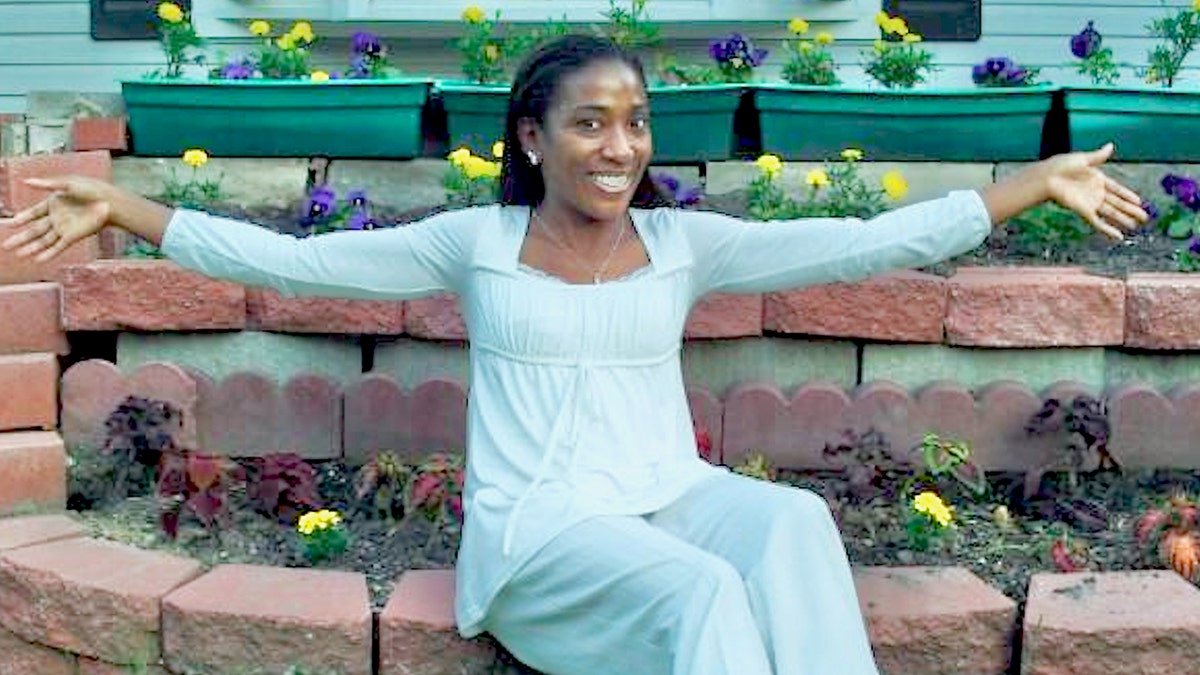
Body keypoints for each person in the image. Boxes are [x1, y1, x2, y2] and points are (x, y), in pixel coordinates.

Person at [1, 35, 1146, 675]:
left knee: (791, 523)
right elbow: (293, 267)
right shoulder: (476, 246)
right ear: (532, 136)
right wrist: (130, 208)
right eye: (592, 122)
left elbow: (857, 240)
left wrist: (1024, 186)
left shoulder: (682, 244)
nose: (620, 145)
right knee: (701, 594)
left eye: (636, 122)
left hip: (665, 496)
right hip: (541, 534)